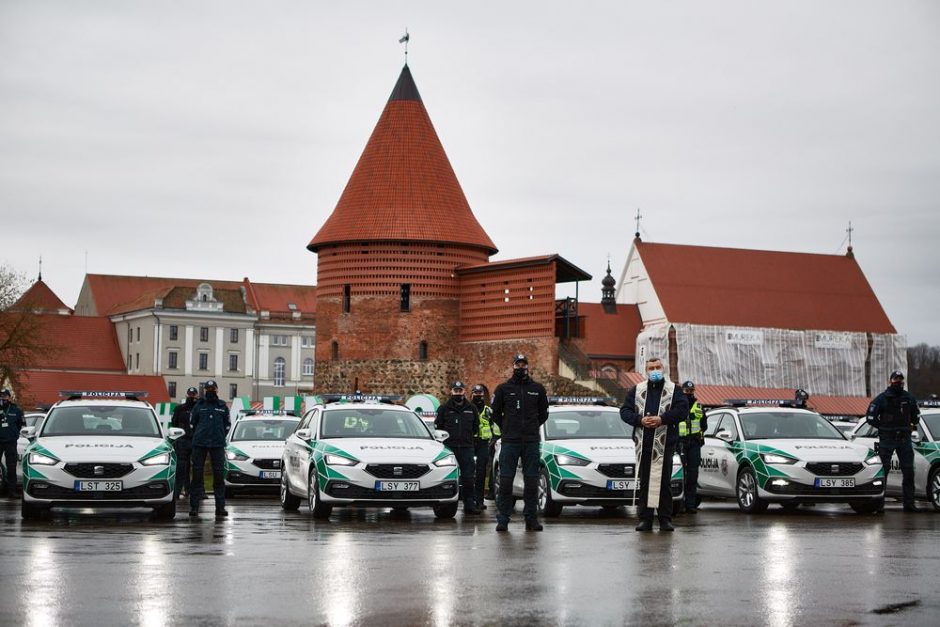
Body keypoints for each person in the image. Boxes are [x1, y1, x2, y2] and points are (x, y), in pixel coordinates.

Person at [620, 357, 689, 532]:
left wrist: (662, 419)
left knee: (664, 481)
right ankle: (645, 519)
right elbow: (625, 411)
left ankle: (665, 519)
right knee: (645, 481)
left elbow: (682, 410)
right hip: (644, 442)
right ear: (646, 370)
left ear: (663, 368)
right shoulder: (637, 390)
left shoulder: (674, 390)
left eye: (658, 367)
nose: (655, 370)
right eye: (651, 368)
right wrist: (639, 420)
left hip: (665, 443)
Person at [491, 354, 549, 532]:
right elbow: (495, 413)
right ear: (513, 366)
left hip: (531, 441)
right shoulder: (503, 389)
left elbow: (543, 414)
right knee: (506, 480)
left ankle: (531, 518)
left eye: (524, 364)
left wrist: (530, 427)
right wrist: (508, 428)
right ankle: (503, 519)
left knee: (531, 481)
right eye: (518, 364)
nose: (521, 367)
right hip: (510, 441)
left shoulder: (537, 389)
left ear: (528, 367)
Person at [866, 371, 922, 513]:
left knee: (908, 472)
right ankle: (879, 505)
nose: (899, 382)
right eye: (896, 379)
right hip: (887, 439)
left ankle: (909, 504)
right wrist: (883, 428)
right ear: (890, 381)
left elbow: (916, 417)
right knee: (883, 471)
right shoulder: (882, 399)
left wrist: (907, 427)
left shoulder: (909, 398)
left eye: (901, 379)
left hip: (904, 439)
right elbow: (870, 417)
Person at [435, 381, 481, 515]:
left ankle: (469, 504)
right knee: (448, 476)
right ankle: (446, 504)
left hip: (467, 447)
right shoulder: (444, 408)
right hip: (449, 448)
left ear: (464, 392)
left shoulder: (471, 408)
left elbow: (475, 427)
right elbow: (439, 426)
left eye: (460, 391)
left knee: (468, 478)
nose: (458, 393)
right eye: (456, 391)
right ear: (451, 392)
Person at [189, 380, 231, 519]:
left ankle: (220, 508)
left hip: (217, 444)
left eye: (213, 389)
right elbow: (193, 424)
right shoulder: (199, 405)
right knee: (197, 476)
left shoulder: (222, 406)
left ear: (217, 390)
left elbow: (227, 425)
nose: (210, 391)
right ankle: (194, 508)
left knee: (219, 477)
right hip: (200, 444)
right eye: (208, 389)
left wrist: (218, 436)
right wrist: (201, 434)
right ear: (205, 390)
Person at [678, 381, 707, 513]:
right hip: (680, 443)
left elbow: (704, 425)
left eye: (691, 391)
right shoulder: (677, 406)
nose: (689, 394)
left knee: (692, 475)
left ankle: (690, 504)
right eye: (686, 391)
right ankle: (679, 504)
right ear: (682, 391)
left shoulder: (699, 406)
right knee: (680, 474)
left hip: (694, 443)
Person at [470, 384, 496, 510]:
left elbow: (494, 427)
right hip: (470, 444)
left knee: (481, 474)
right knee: (469, 474)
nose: (478, 396)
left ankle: (479, 501)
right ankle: (470, 501)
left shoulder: (488, 411)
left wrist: (493, 442)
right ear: (472, 394)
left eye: (480, 394)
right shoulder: (468, 408)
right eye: (476, 393)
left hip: (483, 444)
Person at [171, 387, 198, 500]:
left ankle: (196, 491)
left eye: (193, 394)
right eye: (190, 394)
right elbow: (174, 423)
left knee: (197, 468)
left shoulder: (199, 408)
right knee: (182, 468)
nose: (191, 396)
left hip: (196, 441)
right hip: (182, 441)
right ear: (187, 394)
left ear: (196, 395)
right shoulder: (179, 409)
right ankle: (177, 491)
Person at [0, 389, 26, 498]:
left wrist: (13, 433)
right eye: (1, 396)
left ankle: (12, 491)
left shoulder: (16, 410)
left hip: (11, 442)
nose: (3, 398)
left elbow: (21, 425)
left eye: (5, 396)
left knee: (11, 467)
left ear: (9, 397)